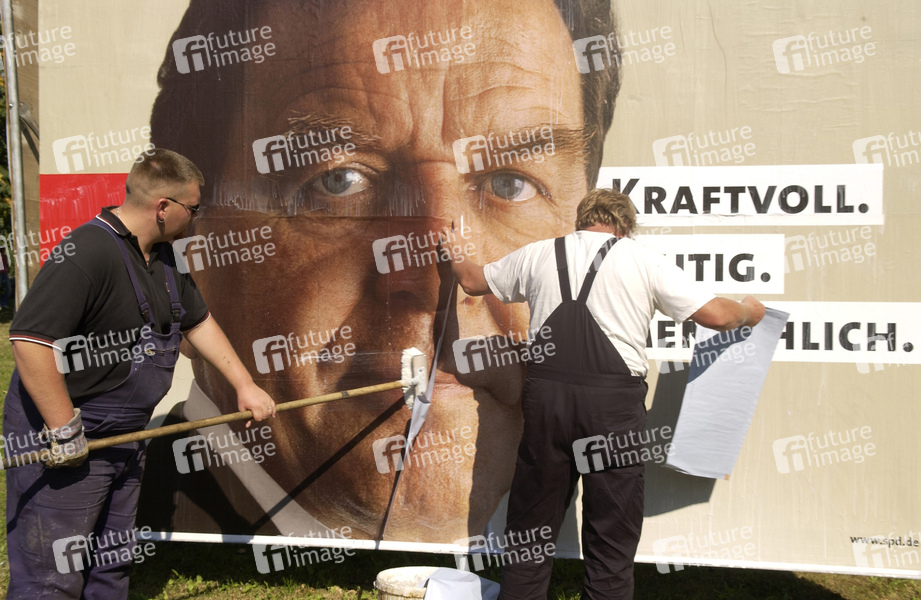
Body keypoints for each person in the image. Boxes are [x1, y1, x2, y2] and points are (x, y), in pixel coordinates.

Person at [141, 0, 624, 542]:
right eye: (338, 182)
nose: (438, 282)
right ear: (190, 249)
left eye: (511, 185)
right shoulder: (113, 531)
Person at [439, 188, 766, 599]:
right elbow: (717, 315)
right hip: (612, 410)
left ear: (581, 221)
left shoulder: (539, 254)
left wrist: (455, 250)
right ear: (625, 226)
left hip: (547, 403)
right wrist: (749, 311)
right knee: (611, 529)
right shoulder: (643, 260)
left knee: (531, 527)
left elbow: (471, 280)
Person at [3, 148, 276, 598]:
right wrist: (63, 428)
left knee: (111, 564)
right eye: (193, 208)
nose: (197, 218)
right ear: (163, 207)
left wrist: (244, 384)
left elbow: (198, 323)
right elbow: (30, 343)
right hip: (67, 434)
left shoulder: (163, 258)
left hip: (125, 435)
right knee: (53, 576)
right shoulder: (86, 251)